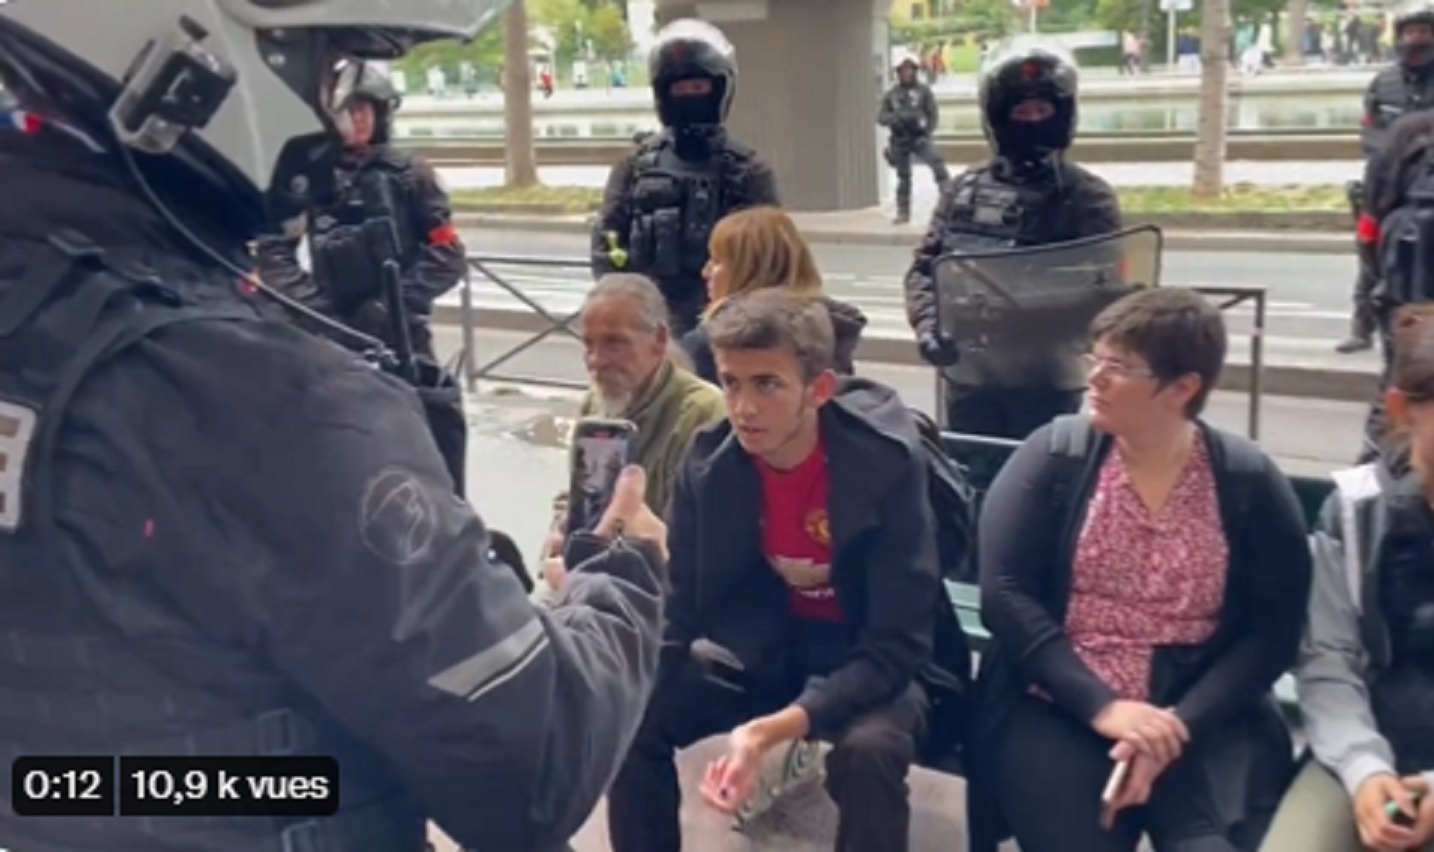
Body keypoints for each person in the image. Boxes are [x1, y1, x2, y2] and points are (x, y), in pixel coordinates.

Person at [0, 6, 668, 851]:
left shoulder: (44, 317)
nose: (332, 110)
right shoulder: (264, 399)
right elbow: (532, 767)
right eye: (323, 69)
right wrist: (624, 574)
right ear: (189, 65)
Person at [605, 289, 969, 852]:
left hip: (872, 661)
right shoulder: (712, 465)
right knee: (631, 714)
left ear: (818, 389)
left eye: (767, 384)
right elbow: (679, 608)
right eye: (731, 382)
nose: (744, 407)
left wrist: (773, 729)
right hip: (769, 652)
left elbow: (895, 647)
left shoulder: (884, 464)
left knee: (869, 751)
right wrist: (619, 682)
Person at [967, 288, 1312, 852]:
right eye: (1094, 360)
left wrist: (1172, 728)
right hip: (1063, 694)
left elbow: (1271, 632)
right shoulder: (1056, 457)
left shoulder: (1246, 481)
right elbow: (1005, 595)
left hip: (1204, 706)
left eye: (1119, 368)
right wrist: (1105, 708)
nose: (1095, 380)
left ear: (1182, 388)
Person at [1262, 309, 1434, 852]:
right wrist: (1364, 768)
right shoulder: (1359, 512)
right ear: (1402, 410)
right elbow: (1328, 660)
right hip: (1370, 746)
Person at [902, 43, 1123, 440]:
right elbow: (925, 268)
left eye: (1044, 111)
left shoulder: (1087, 196)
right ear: (998, 117)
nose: (1033, 121)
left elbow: (1109, 291)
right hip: (970, 380)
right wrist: (929, 326)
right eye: (1022, 111)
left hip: (1048, 382)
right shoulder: (962, 191)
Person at [254, 62, 466, 362]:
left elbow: (448, 254)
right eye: (348, 110)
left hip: (403, 331)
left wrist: (391, 306)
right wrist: (319, 312)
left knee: (430, 403)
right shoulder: (304, 178)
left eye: (366, 109)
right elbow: (274, 255)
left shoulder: (412, 174)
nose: (358, 119)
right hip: (330, 331)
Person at [590, 18, 780, 336]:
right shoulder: (634, 167)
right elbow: (607, 248)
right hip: (649, 331)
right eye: (679, 88)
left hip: (726, 332)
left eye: (698, 87)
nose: (689, 96)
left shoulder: (748, 169)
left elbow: (772, 260)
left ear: (720, 88)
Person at [540, 273, 726, 592]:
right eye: (588, 344)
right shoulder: (596, 402)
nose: (596, 360)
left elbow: (704, 540)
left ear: (659, 340)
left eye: (615, 343)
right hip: (599, 579)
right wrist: (563, 527)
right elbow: (581, 491)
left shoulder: (704, 412)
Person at [682, 205, 868, 383]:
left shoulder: (713, 342)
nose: (705, 272)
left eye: (716, 261)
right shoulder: (832, 329)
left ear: (749, 269)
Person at [1342, 3, 1434, 354]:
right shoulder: (1384, 83)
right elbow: (1369, 130)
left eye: (1424, 33)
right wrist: (1386, 160)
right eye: (1410, 33)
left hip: (1426, 188)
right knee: (1370, 257)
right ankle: (1362, 327)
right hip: (1385, 185)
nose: (1416, 40)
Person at [878, 54, 950, 225]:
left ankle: (948, 205)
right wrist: (895, 118)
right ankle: (903, 212)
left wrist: (926, 130)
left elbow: (933, 114)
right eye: (903, 71)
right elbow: (881, 117)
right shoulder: (892, 95)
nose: (907, 73)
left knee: (938, 165)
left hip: (919, 138)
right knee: (904, 177)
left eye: (910, 70)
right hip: (900, 140)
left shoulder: (924, 91)